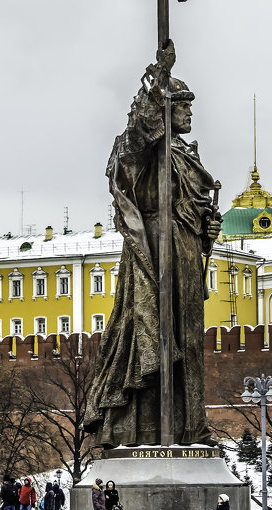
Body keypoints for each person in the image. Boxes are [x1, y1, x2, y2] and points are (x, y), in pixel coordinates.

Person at [82, 48, 221, 449]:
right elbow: (132, 148)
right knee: (152, 334)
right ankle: (139, 430)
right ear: (165, 109)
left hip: (186, 250)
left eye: (191, 105)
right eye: (182, 105)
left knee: (190, 339)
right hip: (154, 248)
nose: (190, 113)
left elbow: (196, 209)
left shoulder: (186, 156)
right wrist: (159, 78)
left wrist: (206, 228)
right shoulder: (143, 150)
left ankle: (191, 428)